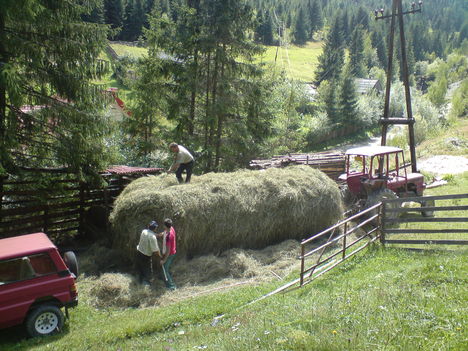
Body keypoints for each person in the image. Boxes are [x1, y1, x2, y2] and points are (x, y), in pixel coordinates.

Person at [136, 221, 161, 286]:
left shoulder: (144, 231)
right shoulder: (152, 237)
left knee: (140, 267)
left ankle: (140, 281)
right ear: (155, 229)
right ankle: (147, 284)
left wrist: (159, 235)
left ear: (148, 226)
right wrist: (160, 257)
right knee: (147, 269)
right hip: (146, 255)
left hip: (139, 252)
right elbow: (155, 251)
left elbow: (151, 234)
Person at [158, 218, 177, 290]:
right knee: (164, 267)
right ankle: (162, 277)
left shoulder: (169, 237)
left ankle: (172, 286)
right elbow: (166, 231)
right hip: (171, 251)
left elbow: (168, 251)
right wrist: (162, 234)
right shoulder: (171, 228)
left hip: (170, 254)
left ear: (165, 226)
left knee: (165, 269)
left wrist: (164, 260)